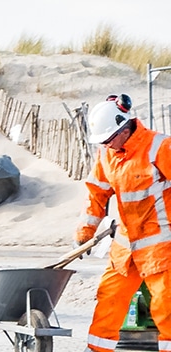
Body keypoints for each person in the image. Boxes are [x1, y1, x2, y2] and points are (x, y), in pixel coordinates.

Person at [76, 93, 171, 352]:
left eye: (108, 140)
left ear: (124, 128)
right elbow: (97, 191)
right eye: (103, 142)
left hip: (160, 247)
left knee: (166, 307)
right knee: (109, 300)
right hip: (126, 246)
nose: (106, 145)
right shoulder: (107, 154)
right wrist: (86, 229)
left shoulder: (159, 147)